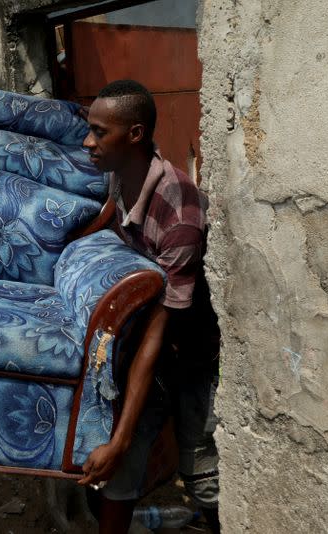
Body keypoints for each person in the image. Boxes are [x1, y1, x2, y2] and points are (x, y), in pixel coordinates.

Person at [79, 80, 221, 533]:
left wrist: (120, 440)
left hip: (189, 351)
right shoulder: (118, 176)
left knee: (203, 472)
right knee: (117, 478)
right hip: (146, 344)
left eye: (100, 132)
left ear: (135, 135)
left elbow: (162, 330)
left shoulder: (178, 211)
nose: (88, 141)